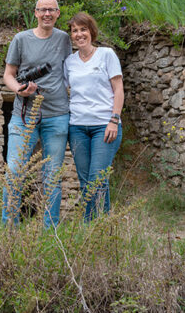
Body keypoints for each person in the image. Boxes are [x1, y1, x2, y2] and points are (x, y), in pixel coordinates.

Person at [2, 0, 72, 228]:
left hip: (57, 115)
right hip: (23, 115)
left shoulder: (64, 39)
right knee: (14, 171)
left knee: (52, 176)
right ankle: (9, 230)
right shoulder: (21, 39)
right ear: (35, 13)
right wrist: (19, 90)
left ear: (58, 13)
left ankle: (50, 232)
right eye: (42, 10)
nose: (47, 14)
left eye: (51, 10)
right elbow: (8, 75)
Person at [63, 12, 124, 221]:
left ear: (92, 32)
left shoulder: (106, 55)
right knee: (85, 182)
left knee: (97, 179)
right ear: (71, 35)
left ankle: (99, 227)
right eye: (75, 31)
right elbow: (62, 89)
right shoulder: (69, 62)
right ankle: (90, 228)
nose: (79, 34)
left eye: (83, 29)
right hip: (77, 127)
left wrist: (114, 120)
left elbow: (118, 89)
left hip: (104, 126)